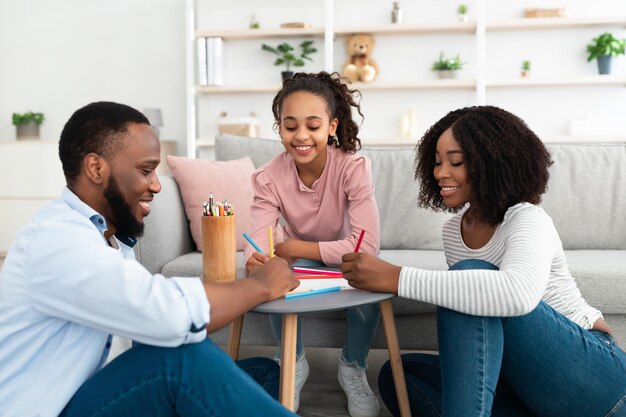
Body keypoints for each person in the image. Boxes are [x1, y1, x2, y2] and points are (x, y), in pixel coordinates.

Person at [0, 101, 302, 417]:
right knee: (180, 362)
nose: (156, 185)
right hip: (55, 408)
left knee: (264, 373)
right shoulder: (56, 239)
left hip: (100, 390)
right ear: (96, 168)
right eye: (146, 170)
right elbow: (166, 314)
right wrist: (260, 286)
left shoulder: (108, 238)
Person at [340, 105, 626, 417]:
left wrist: (397, 277)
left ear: (492, 163)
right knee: (399, 377)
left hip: (597, 382)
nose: (440, 172)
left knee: (470, 277)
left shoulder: (527, 218)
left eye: (456, 162)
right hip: (523, 385)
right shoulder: (453, 233)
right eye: (436, 162)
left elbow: (515, 293)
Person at [244, 72, 382, 417]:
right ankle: (293, 360)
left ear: (332, 126)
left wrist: (296, 248)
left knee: (369, 282)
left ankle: (352, 365)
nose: (301, 136)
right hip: (302, 260)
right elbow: (259, 238)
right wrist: (256, 260)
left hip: (344, 257)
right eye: (290, 127)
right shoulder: (268, 177)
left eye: (313, 125)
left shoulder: (352, 168)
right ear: (279, 129)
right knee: (272, 277)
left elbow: (365, 249)